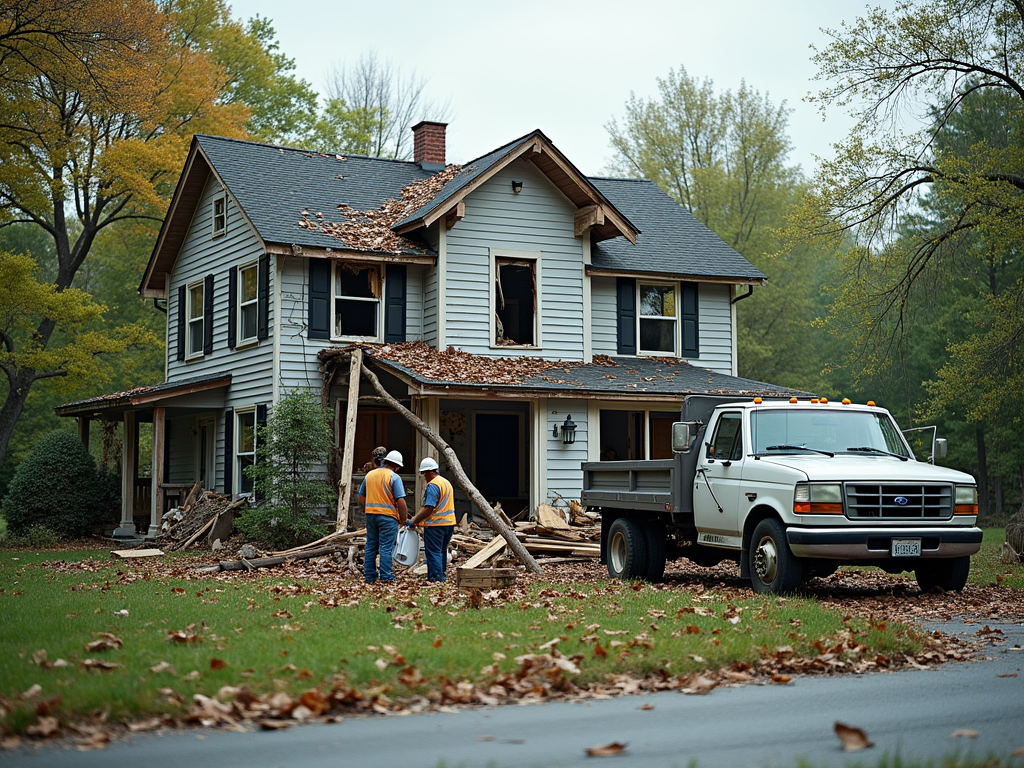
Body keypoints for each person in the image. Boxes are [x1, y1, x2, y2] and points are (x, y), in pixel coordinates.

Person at [357, 450, 407, 584]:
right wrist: (403, 520)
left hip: (371, 515)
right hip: (388, 517)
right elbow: (400, 501)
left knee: (371, 546)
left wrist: (367, 509)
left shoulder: (369, 475)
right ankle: (386, 576)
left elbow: (361, 497)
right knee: (385, 547)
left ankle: (369, 576)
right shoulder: (394, 477)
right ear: (396, 466)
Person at [406, 457, 455, 583]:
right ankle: (442, 576)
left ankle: (435, 579)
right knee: (442, 551)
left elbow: (428, 508)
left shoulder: (433, 485)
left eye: (424, 474)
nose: (424, 477)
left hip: (435, 525)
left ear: (427, 473)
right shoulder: (445, 482)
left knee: (433, 552)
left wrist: (414, 520)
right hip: (449, 523)